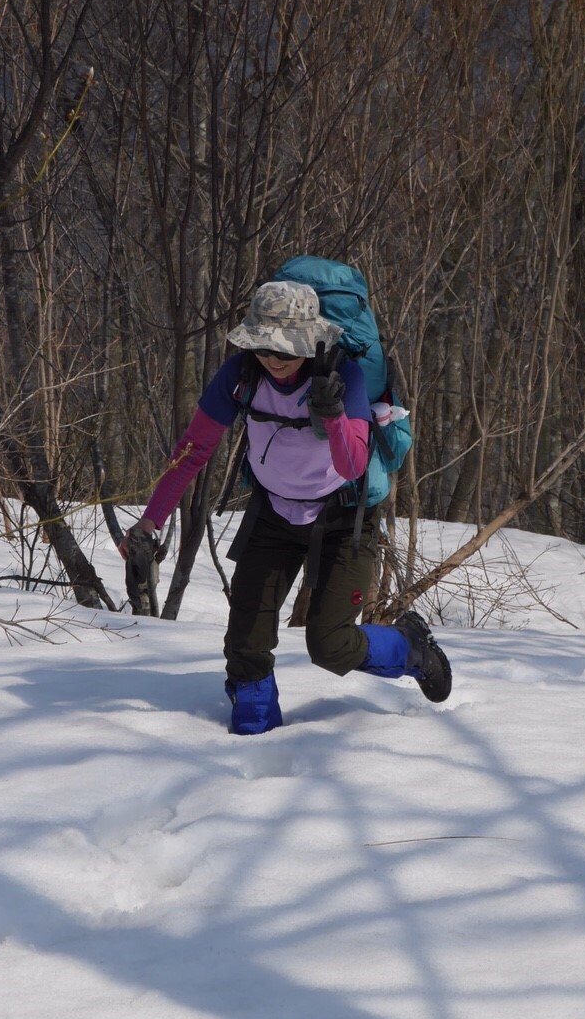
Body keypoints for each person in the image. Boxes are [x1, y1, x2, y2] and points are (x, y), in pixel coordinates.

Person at [121, 280, 451, 734]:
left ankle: (412, 648)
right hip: (273, 514)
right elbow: (193, 449)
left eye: (286, 350)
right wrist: (150, 520)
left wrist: (333, 414)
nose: (274, 359)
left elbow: (353, 464)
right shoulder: (240, 375)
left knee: (330, 644)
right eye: (264, 347)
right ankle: (254, 740)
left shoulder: (344, 376)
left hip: (344, 517)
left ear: (312, 341)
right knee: (245, 645)